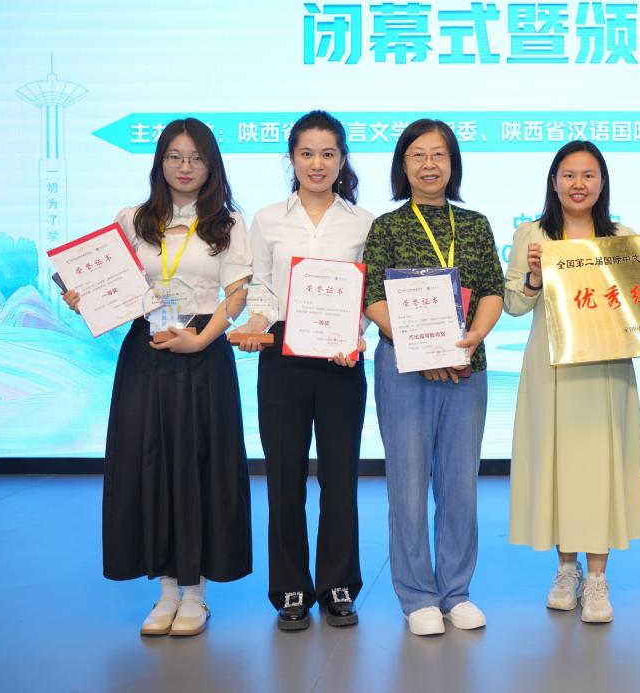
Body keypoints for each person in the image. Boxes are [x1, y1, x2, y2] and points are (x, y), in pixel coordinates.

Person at [62, 118, 252, 637]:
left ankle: (196, 595)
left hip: (203, 353)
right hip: (145, 353)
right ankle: (166, 592)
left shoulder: (228, 222)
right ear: (160, 161)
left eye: (195, 158)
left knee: (199, 466)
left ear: (211, 165)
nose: (185, 167)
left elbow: (237, 294)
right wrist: (81, 298)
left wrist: (201, 339)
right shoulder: (133, 219)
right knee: (149, 466)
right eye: (174, 156)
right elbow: (107, 286)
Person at [363, 119, 504, 637]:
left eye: (439, 154)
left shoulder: (475, 225)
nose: (429, 164)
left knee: (460, 484)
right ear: (402, 164)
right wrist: (419, 346)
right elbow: (372, 298)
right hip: (404, 369)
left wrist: (473, 337)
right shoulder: (386, 227)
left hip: (466, 367)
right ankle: (418, 595)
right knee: (406, 486)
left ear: (453, 163)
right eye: (418, 155)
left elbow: (492, 290)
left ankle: (456, 591)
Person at [506, 140, 640, 625]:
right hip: (550, 367)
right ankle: (566, 570)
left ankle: (598, 578)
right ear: (554, 182)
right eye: (569, 175)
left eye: (589, 175)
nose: (578, 184)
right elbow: (515, 305)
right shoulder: (532, 234)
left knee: (601, 467)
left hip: (605, 368)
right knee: (559, 466)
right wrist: (532, 278)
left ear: (602, 183)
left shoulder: (622, 237)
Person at [241, 110, 373, 631]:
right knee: (284, 477)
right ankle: (290, 587)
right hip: (282, 358)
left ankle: (339, 585)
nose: (317, 164)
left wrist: (356, 332)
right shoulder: (268, 219)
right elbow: (261, 286)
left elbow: (367, 291)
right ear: (291, 159)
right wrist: (256, 322)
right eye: (306, 153)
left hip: (342, 362)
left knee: (340, 478)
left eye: (328, 153)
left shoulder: (362, 222)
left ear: (342, 160)